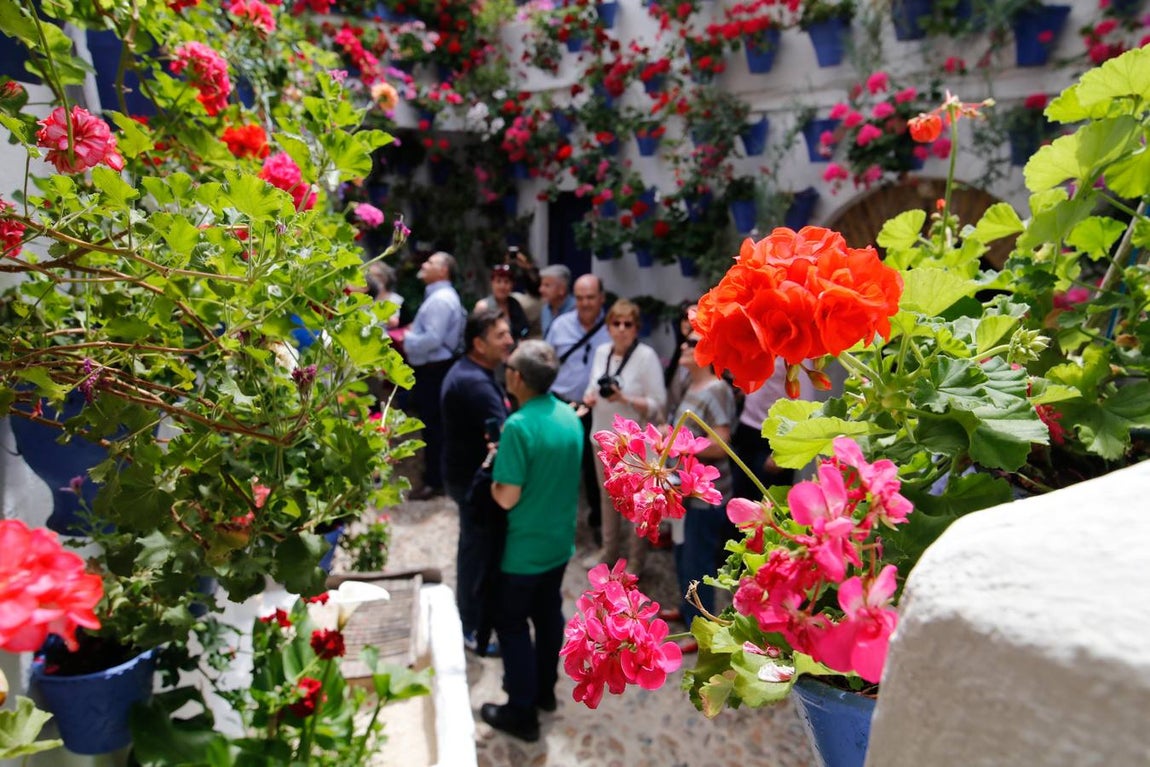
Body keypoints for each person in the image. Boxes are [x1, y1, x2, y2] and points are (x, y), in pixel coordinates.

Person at [480, 340, 584, 743]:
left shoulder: (519, 426)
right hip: (558, 543)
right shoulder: (568, 416)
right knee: (547, 615)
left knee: (511, 623)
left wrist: (493, 479)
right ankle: (544, 693)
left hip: (522, 550)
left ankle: (520, 710)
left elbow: (507, 495)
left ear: (517, 378)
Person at [440, 307, 514, 655]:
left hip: (462, 476)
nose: (509, 341)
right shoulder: (475, 383)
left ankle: (469, 622)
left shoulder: (474, 372)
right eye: (500, 335)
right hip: (474, 484)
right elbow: (506, 438)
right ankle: (472, 630)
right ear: (478, 344)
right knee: (479, 555)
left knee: (472, 549)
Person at [663, 316, 738, 653]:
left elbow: (721, 443)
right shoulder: (690, 386)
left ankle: (702, 627)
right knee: (682, 554)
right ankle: (687, 610)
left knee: (698, 560)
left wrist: (679, 445)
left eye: (693, 343)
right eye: (686, 341)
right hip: (683, 493)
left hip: (705, 496)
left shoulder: (716, 388)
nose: (684, 346)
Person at [582, 298, 667, 576]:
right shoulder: (602, 352)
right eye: (615, 323)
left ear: (636, 328)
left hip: (633, 448)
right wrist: (590, 396)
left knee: (635, 505)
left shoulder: (645, 357)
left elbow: (658, 403)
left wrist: (625, 398)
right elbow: (592, 386)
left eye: (627, 324)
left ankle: (635, 562)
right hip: (603, 440)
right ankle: (608, 552)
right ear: (607, 327)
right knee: (607, 499)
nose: (621, 329)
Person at [544, 274, 610, 539]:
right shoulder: (560, 326)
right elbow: (545, 362)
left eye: (590, 297)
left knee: (595, 471)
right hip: (562, 405)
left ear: (601, 298)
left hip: (595, 408)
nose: (584, 303)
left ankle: (597, 523)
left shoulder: (612, 326)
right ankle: (557, 523)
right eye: (580, 298)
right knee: (559, 466)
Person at [404, 250, 465, 501]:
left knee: (434, 426)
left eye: (430, 262)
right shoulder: (439, 296)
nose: (424, 264)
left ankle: (435, 481)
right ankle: (435, 478)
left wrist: (407, 340)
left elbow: (433, 339)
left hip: (435, 369)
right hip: (434, 367)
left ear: (443, 271)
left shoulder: (441, 299)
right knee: (434, 424)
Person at [476, 263, 530, 341]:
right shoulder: (483, 306)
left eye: (506, 282)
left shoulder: (515, 304)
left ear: (512, 285)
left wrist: (522, 339)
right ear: (492, 283)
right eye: (498, 281)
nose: (502, 286)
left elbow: (524, 329)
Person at [538, 264, 575, 338]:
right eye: (541, 285)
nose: (541, 290)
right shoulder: (545, 309)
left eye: (547, 285)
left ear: (562, 289)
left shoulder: (576, 309)